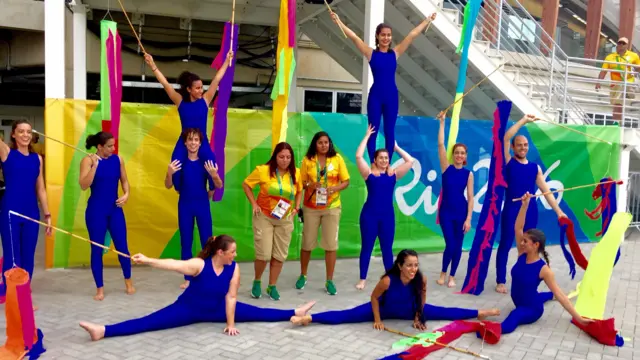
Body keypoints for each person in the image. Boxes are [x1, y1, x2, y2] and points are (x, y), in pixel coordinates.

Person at [78, 235, 317, 340]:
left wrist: (230, 324)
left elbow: (231, 297)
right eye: (232, 252)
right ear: (220, 253)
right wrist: (148, 260)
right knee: (148, 322)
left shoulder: (233, 268)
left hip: (217, 310)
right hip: (188, 310)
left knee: (261, 313)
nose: (235, 254)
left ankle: (294, 312)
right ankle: (103, 330)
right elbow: (174, 265)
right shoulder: (199, 265)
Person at [290, 249, 499, 328]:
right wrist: (378, 319)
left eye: (415, 265)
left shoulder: (421, 279)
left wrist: (419, 314)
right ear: (400, 265)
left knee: (444, 312)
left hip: (409, 310)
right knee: (346, 315)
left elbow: (423, 296)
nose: (413, 269)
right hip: (383, 310)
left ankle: (480, 313)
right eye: (409, 265)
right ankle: (309, 319)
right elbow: (373, 298)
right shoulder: (388, 280)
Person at [330, 11, 436, 162]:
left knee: (389, 131)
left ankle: (387, 164)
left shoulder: (395, 53)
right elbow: (354, 38)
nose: (386, 38)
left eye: (389, 35)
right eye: (383, 35)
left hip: (391, 96)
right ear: (378, 36)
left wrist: (427, 20)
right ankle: (374, 163)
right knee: (372, 130)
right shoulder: (370, 53)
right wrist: (338, 22)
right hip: (375, 97)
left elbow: (411, 36)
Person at [499, 192, 592, 334]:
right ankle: (548, 296)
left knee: (514, 315)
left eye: (525, 241)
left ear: (536, 245)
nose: (521, 243)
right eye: (522, 240)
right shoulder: (522, 253)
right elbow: (518, 228)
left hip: (531, 309)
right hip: (522, 300)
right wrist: (525, 205)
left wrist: (579, 318)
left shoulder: (544, 270)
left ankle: (492, 331)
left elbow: (560, 295)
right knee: (538, 295)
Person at [495, 115, 567, 294]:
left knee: (530, 246)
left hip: (531, 210)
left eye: (525, 145)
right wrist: (524, 120)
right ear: (513, 148)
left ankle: (527, 278)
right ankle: (500, 280)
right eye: (519, 144)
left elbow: (547, 191)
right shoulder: (509, 162)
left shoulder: (535, 168)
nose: (523, 147)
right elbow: (504, 137)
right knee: (505, 244)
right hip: (512, 209)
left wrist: (559, 212)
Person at [144, 50, 233, 192]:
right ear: (189, 89)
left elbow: (216, 80)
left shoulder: (205, 99)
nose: (201, 90)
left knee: (211, 163)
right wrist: (152, 65)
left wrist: (227, 61)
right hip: (184, 140)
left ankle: (210, 191)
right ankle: (180, 189)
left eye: (201, 87)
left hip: (202, 140)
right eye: (197, 88)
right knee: (176, 164)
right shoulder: (180, 101)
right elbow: (165, 83)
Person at [354, 125, 414, 290]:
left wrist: (396, 147)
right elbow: (359, 156)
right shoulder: (369, 174)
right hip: (369, 216)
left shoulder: (393, 175)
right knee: (367, 247)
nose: (384, 160)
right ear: (375, 160)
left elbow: (410, 161)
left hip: (387, 217)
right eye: (381, 158)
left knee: (387, 249)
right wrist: (367, 136)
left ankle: (390, 279)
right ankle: (362, 279)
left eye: (386, 158)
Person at [242, 142, 302, 301]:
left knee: (279, 254)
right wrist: (254, 203)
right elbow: (246, 184)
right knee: (264, 253)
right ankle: (257, 281)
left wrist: (296, 208)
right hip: (265, 217)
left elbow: (299, 191)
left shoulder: (296, 173)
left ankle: (272, 285)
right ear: (275, 156)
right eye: (281, 157)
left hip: (285, 218)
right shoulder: (263, 170)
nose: (285, 160)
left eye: (288, 157)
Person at [0, 120, 52, 303]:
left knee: (28, 256)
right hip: (10, 212)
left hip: (31, 212)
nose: (25, 135)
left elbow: (41, 190)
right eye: (20, 131)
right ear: (13, 134)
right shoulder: (7, 153)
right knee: (13, 256)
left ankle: (24, 295)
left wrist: (48, 215)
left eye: (28, 132)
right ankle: (13, 297)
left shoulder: (37, 159)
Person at [165, 128, 223, 290]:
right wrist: (169, 173)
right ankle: (188, 277)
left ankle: (209, 275)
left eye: (196, 140)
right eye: (190, 140)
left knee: (208, 241)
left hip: (202, 205)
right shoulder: (179, 164)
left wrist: (214, 175)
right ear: (185, 143)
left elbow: (218, 185)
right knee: (186, 242)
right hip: (185, 205)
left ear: (200, 143)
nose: (193, 143)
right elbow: (169, 185)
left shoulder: (206, 164)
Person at [79, 131, 134, 301]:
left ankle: (129, 282)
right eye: (109, 146)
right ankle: (100, 289)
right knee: (96, 249)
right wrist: (95, 166)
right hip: (96, 210)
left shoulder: (118, 160)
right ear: (100, 147)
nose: (113, 148)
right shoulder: (88, 160)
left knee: (123, 247)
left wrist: (126, 194)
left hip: (114, 209)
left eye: (113, 145)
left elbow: (124, 180)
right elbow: (83, 185)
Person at [295, 132, 350, 296]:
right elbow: (301, 183)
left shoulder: (337, 159)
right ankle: (303, 275)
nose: (324, 145)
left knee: (330, 245)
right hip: (311, 207)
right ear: (315, 144)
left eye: (326, 142)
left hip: (332, 207)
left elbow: (346, 181)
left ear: (330, 144)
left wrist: (335, 188)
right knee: (307, 243)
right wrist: (310, 185)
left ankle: (329, 280)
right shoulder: (307, 160)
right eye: (320, 143)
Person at [436, 112, 473, 288]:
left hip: (461, 212)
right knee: (450, 243)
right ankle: (443, 272)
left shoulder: (468, 174)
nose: (459, 155)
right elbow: (441, 144)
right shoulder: (446, 168)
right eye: (457, 152)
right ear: (453, 154)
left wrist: (468, 219)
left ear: (465, 156)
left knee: (458, 246)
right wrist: (442, 123)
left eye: (462, 153)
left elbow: (471, 198)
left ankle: (452, 276)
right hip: (446, 212)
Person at [595, 37, 640, 122]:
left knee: (618, 100)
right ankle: (617, 121)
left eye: (624, 43)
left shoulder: (633, 56)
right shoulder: (610, 57)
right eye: (620, 43)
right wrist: (598, 82)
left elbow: (638, 68)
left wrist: (635, 69)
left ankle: (629, 93)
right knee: (615, 104)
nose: (621, 45)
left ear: (627, 46)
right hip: (614, 84)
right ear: (617, 45)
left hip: (628, 82)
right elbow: (603, 71)